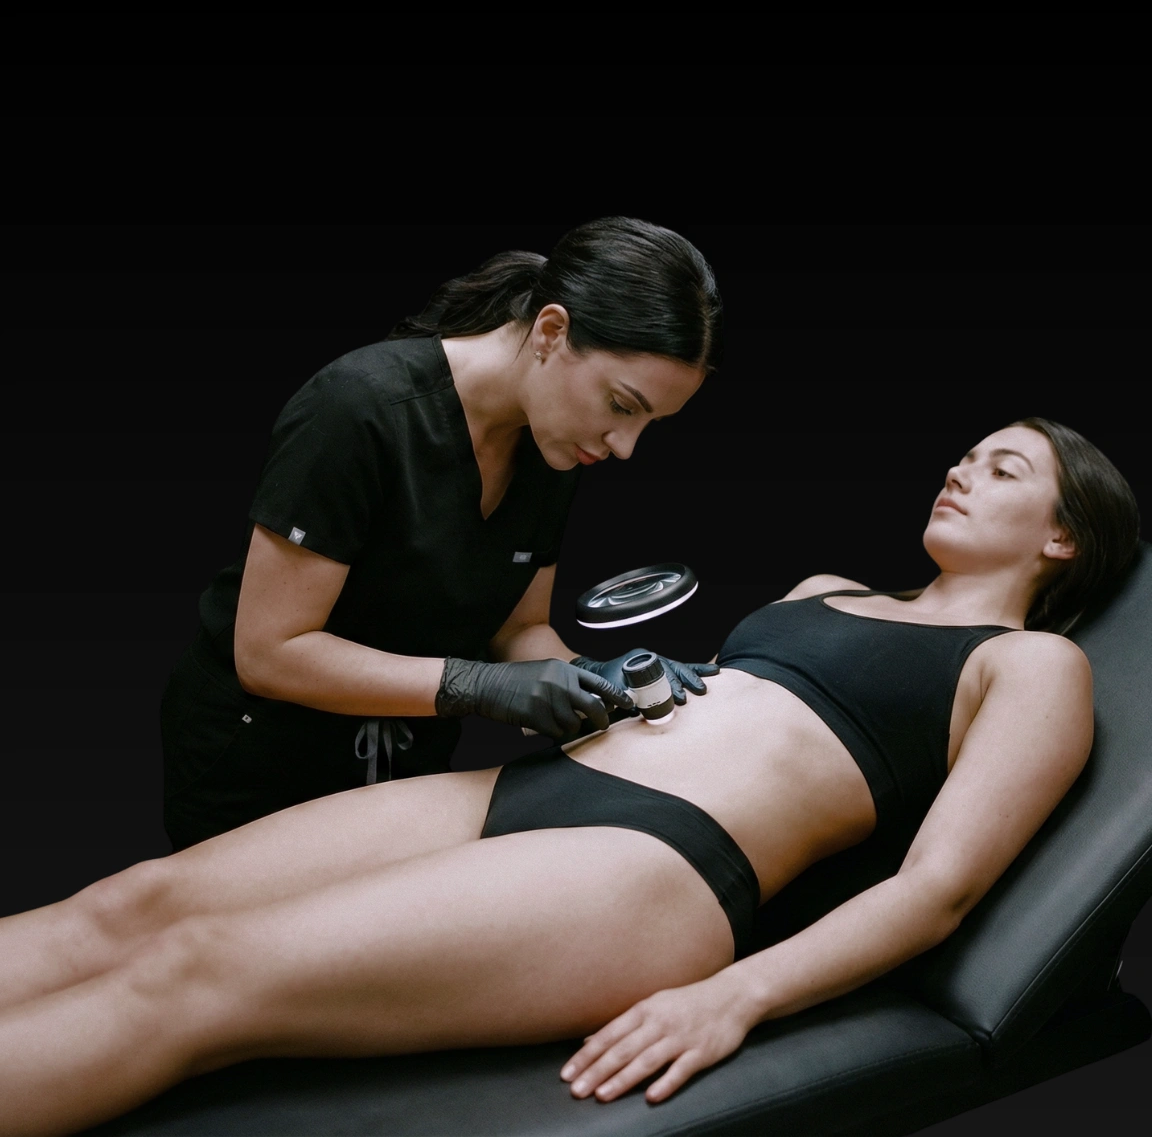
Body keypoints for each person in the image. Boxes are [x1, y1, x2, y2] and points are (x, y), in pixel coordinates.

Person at [0, 418, 1139, 1137]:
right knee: (134, 903)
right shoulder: (824, 589)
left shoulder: (1032, 665)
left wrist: (733, 997)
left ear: (1063, 540)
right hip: (539, 788)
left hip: (652, 871)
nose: (960, 472)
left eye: (1003, 469)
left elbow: (936, 889)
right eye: (964, 456)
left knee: (201, 974)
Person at [161, 217, 723, 849]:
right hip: (259, 765)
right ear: (551, 331)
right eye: (621, 406)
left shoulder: (553, 445)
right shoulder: (358, 409)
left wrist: (596, 678)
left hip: (405, 773)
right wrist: (474, 685)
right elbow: (268, 653)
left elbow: (517, 629)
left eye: (650, 424)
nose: (624, 447)